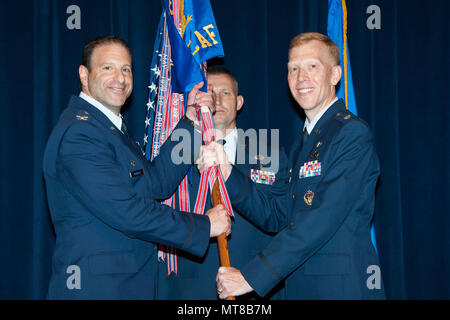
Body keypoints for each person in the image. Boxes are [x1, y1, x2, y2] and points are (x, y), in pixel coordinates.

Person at [42, 35, 231, 299]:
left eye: (126, 69)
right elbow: (126, 210)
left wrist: (191, 123)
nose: (119, 78)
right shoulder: (80, 134)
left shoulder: (107, 129)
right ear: (84, 75)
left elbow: (155, 183)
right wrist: (203, 226)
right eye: (108, 68)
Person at [200, 32, 385, 299]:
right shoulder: (305, 142)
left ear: (334, 75)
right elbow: (278, 214)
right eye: (293, 69)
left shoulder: (351, 133)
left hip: (341, 290)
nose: (301, 78)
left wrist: (251, 277)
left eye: (312, 66)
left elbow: (319, 220)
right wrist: (229, 173)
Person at [157, 66, 288, 299]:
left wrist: (229, 174)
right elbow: (158, 200)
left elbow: (277, 218)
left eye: (225, 93)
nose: (216, 100)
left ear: (239, 102)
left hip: (253, 288)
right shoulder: (179, 150)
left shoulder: (270, 152)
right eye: (209, 93)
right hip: (192, 290)